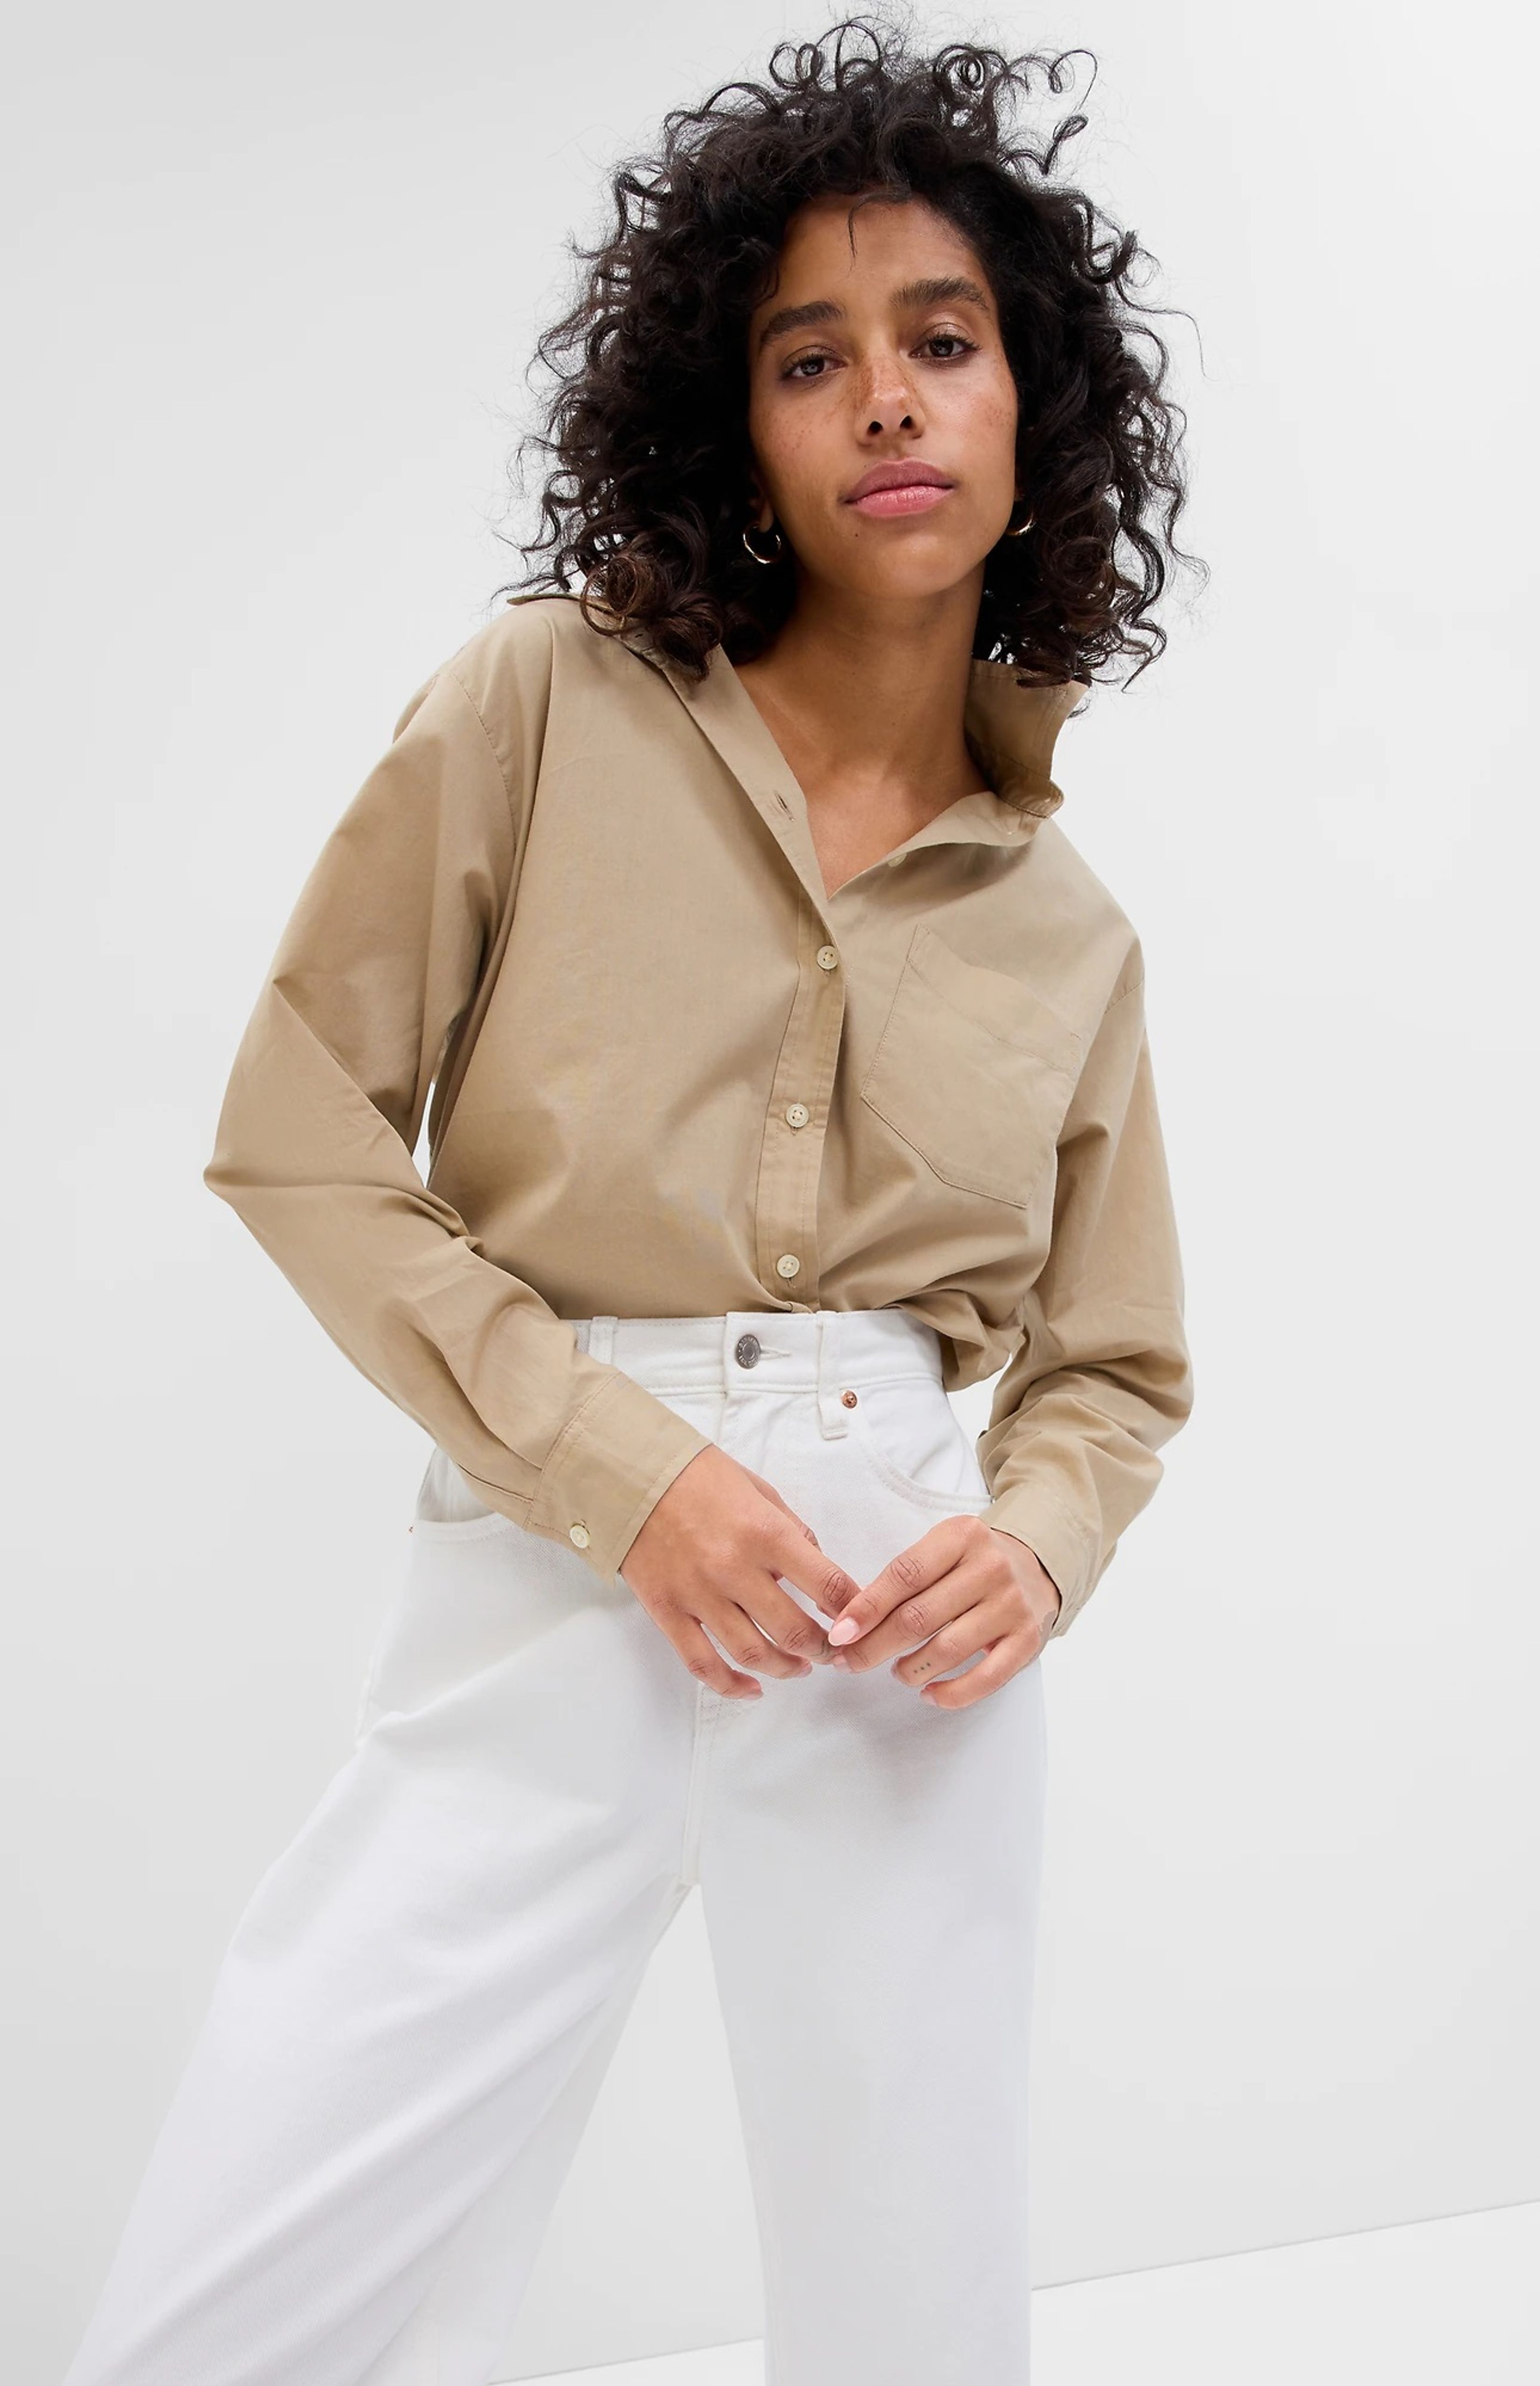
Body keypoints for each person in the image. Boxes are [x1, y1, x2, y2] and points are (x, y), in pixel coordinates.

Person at [60, 20, 1199, 2386]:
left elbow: (1111, 1364)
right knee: (249, 2271)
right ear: (736, 422)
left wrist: (1034, 1543)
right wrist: (622, 1470)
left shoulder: (1069, 929)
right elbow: (298, 1127)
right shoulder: (544, 702)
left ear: (1034, 404)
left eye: (944, 340)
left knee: (913, 2310)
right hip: (550, 1559)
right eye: (812, 356)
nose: (886, 400)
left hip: (895, 1627)